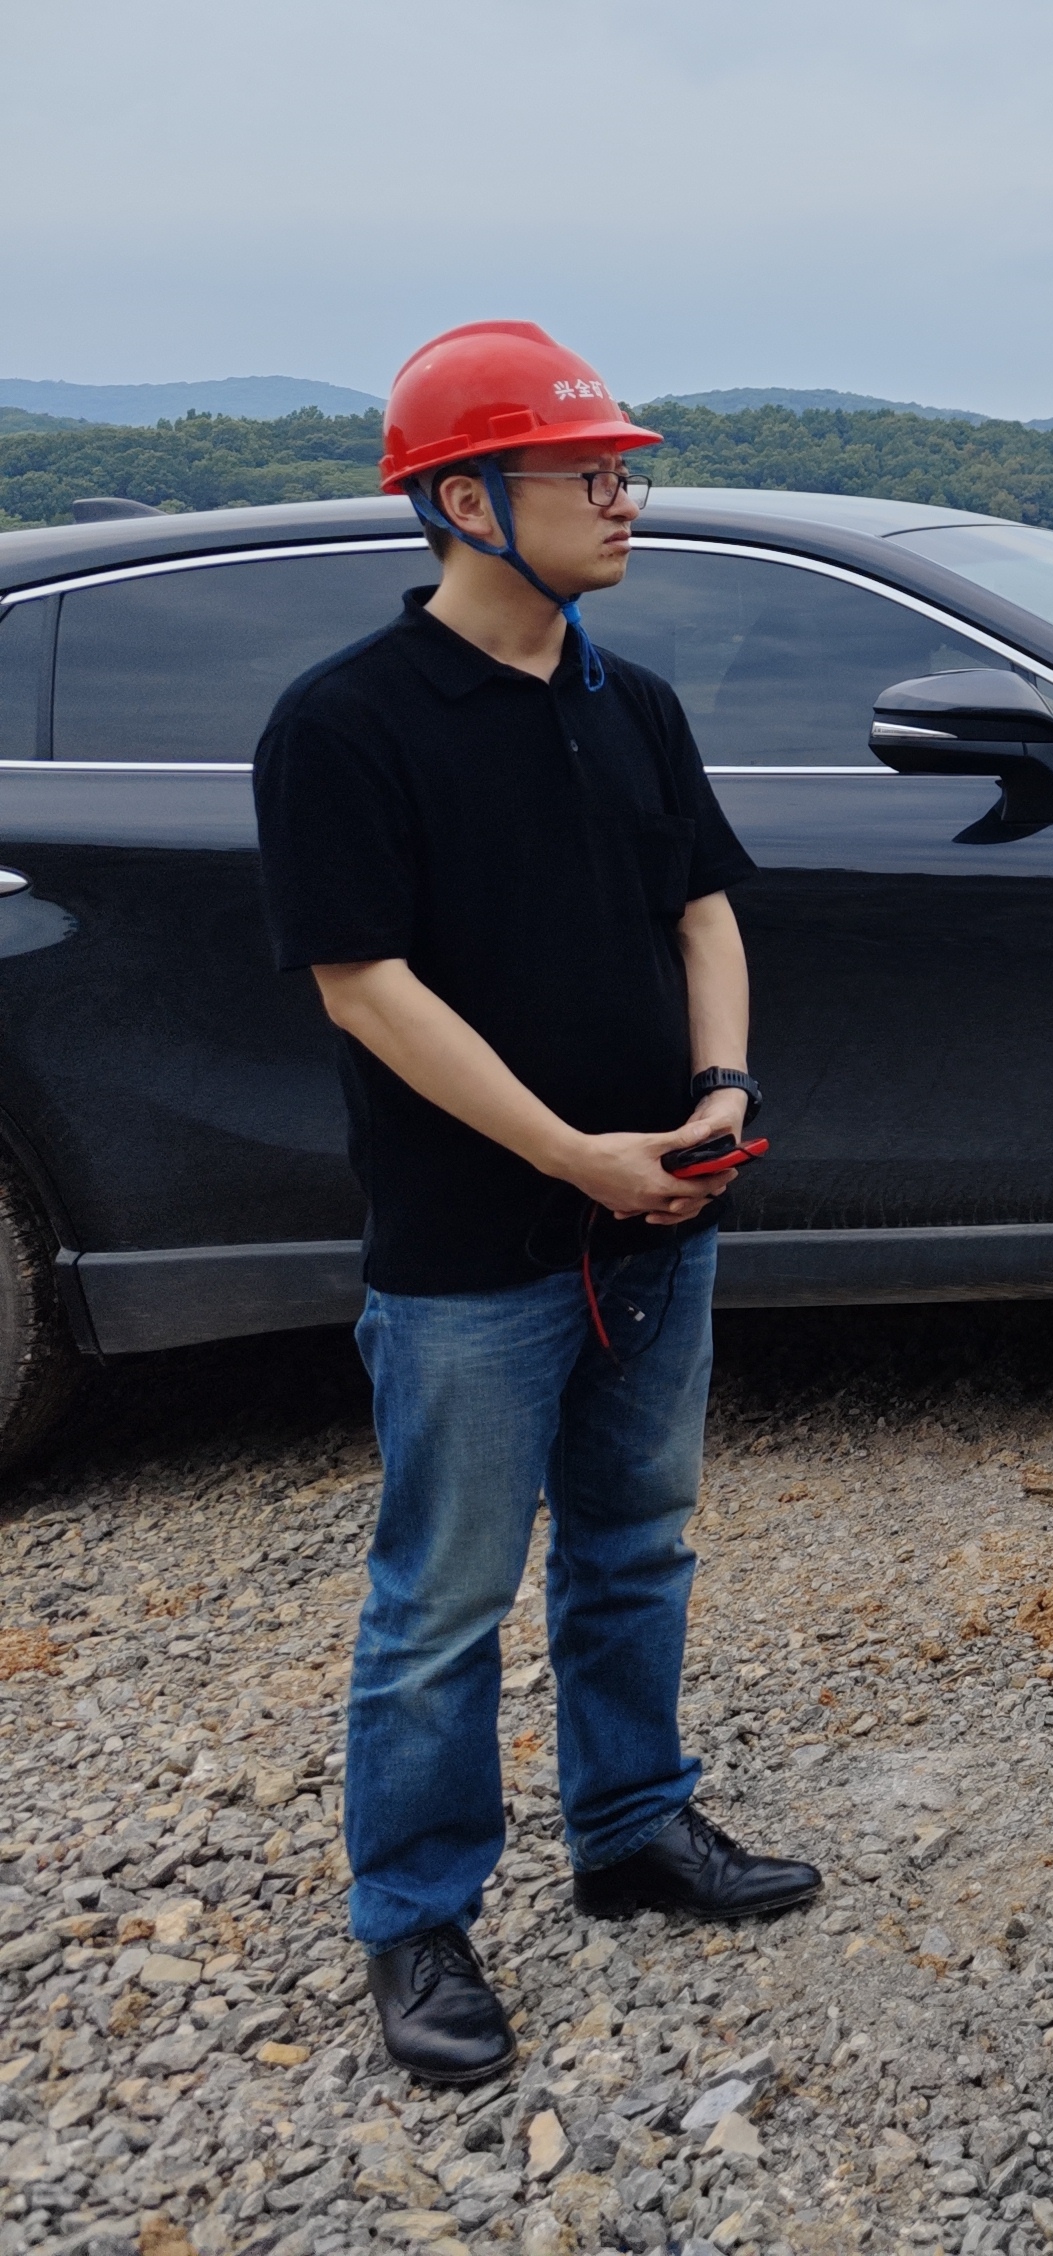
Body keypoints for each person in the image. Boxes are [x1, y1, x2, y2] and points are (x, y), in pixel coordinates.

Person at [255, 322, 820, 2091]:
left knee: (637, 1540)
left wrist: (719, 1090)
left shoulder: (627, 701)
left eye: (625, 469)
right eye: (587, 473)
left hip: (661, 1220)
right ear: (462, 500)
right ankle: (416, 1916)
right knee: (444, 1596)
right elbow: (365, 984)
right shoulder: (345, 723)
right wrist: (573, 1152)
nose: (624, 498)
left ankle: (631, 1823)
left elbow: (703, 908)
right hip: (473, 1251)